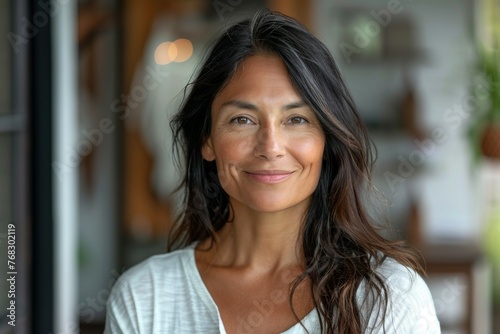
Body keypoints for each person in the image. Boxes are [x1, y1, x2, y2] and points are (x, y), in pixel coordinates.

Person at [105, 10, 440, 334]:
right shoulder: (144, 299)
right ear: (207, 139)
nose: (270, 146)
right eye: (243, 120)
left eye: (296, 119)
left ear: (327, 140)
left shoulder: (390, 297)